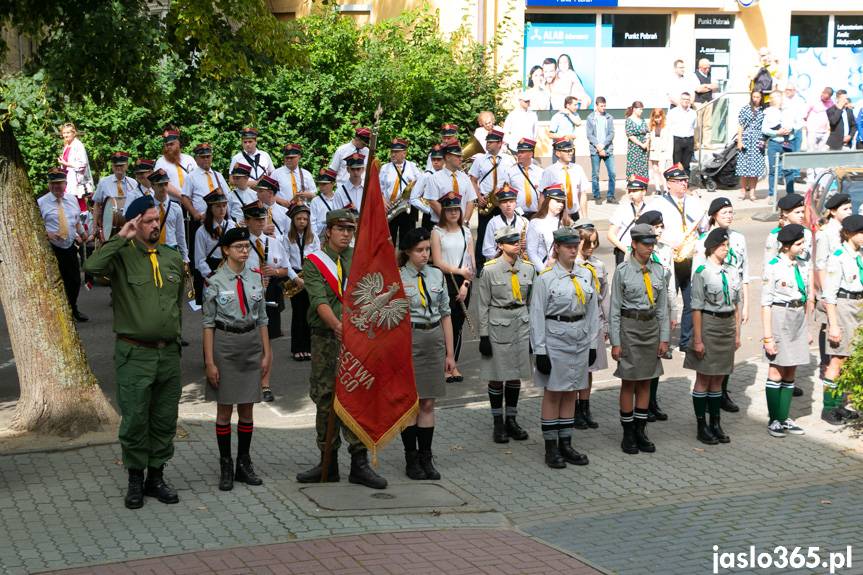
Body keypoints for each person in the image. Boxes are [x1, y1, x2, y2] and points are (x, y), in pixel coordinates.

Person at [82, 195, 184, 509]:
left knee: (164, 419)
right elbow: (91, 266)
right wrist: (120, 236)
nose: (156, 225)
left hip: (167, 354)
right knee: (136, 419)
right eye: (149, 220)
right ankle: (135, 480)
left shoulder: (171, 257)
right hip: (134, 354)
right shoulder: (122, 255)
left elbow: (177, 302)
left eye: (158, 220)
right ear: (135, 222)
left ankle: (156, 476)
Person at [296, 209, 388, 489]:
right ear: (328, 231)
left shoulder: (358, 258)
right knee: (325, 397)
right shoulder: (314, 262)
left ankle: (359, 462)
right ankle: (328, 460)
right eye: (341, 229)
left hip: (358, 339)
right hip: (326, 338)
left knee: (356, 394)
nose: (347, 234)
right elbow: (318, 300)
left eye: (350, 229)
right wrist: (337, 325)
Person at [203, 226, 269, 491]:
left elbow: (263, 318)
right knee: (224, 408)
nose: (244, 251)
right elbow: (208, 324)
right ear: (225, 250)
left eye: (246, 247)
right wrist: (209, 361)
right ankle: (226, 464)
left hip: (251, 342)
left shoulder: (255, 278)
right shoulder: (215, 281)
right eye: (239, 247)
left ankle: (244, 462)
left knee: (247, 406)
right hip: (226, 344)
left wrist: (267, 353)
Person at [531, 226, 597, 468]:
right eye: (568, 246)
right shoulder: (545, 278)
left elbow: (591, 310)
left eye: (575, 245)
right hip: (555, 340)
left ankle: (566, 443)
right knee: (553, 392)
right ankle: (551, 448)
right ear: (556, 248)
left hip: (579, 339)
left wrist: (591, 343)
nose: (572, 250)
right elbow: (537, 315)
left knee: (572, 390)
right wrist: (540, 351)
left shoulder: (586, 275)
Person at [398, 227, 455, 480]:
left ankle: (426, 457)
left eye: (428, 249)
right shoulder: (398, 278)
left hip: (433, 340)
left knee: (429, 401)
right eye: (419, 250)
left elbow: (445, 314)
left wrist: (450, 354)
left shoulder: (436, 275)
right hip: (409, 340)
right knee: (410, 404)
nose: (425, 254)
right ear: (408, 252)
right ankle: (411, 459)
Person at [609, 223, 669, 454]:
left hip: (651, 328)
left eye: (652, 243)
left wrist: (664, 338)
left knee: (646, 380)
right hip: (630, 328)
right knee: (629, 381)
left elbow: (664, 308)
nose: (650, 247)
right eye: (646, 243)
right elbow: (615, 309)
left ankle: (641, 430)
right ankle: (628, 433)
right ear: (634, 244)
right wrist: (616, 342)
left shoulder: (659, 270)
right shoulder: (623, 272)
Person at [478, 225, 535, 444]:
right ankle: (498, 422)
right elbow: (483, 305)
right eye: (510, 242)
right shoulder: (490, 270)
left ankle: (511, 418)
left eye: (517, 241)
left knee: (515, 374)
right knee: (497, 376)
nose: (516, 245)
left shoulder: (528, 269)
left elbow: (532, 303)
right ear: (500, 245)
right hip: (498, 324)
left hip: (520, 323)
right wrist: (484, 336)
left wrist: (533, 334)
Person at [684, 228, 741, 445]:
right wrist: (697, 340)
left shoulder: (732, 270)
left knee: (719, 377)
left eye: (727, 245)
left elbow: (737, 302)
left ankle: (716, 423)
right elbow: (696, 307)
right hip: (709, 324)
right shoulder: (702, 271)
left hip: (726, 326)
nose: (726, 249)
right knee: (704, 377)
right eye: (722, 246)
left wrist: (737, 333)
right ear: (712, 247)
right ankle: (702, 425)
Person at [693, 198, 749, 413]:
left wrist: (745, 305)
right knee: (707, 369)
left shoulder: (739, 239)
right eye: (724, 212)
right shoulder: (704, 241)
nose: (729, 216)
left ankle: (721, 395)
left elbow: (744, 273)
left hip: (731, 298)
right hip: (710, 307)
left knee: (726, 360)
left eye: (731, 212)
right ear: (714, 214)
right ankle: (706, 409)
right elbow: (697, 278)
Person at [647, 163, 706, 352]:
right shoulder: (658, 203)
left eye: (685, 180)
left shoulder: (694, 202)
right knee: (666, 301)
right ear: (669, 183)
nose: (684, 184)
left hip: (690, 258)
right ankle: (663, 341)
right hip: (669, 257)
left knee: (691, 301)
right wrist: (670, 242)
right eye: (679, 181)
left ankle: (686, 341)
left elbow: (704, 227)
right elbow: (650, 229)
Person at [761, 224, 810, 438]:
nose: (803, 247)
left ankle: (784, 417)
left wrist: (806, 328)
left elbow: (805, 295)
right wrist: (768, 337)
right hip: (781, 316)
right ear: (787, 245)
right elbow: (766, 303)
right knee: (777, 370)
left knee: (791, 370)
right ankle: (774, 420)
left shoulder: (800, 265)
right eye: (799, 244)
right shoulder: (773, 267)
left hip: (797, 316)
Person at [635, 210, 677, 422]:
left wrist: (673, 311)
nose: (660, 230)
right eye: (656, 226)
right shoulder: (635, 251)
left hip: (662, 308)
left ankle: (652, 401)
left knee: (656, 358)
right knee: (642, 360)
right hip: (644, 312)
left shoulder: (666, 250)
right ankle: (641, 403)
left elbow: (671, 284)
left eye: (661, 226)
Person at [820, 215, 863, 424]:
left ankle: (840, 405)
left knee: (850, 359)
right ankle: (828, 407)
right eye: (860, 232)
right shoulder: (838, 257)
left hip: (858, 307)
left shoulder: (860, 255)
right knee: (837, 359)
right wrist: (834, 325)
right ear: (848, 234)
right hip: (843, 308)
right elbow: (829, 296)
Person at [430, 193, 474, 383]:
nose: (454, 213)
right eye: (449, 210)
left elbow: (471, 263)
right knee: (443, 325)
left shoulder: (466, 231)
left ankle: (453, 364)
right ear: (443, 212)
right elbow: (438, 262)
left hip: (464, 282)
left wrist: (465, 284)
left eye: (456, 209)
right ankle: (443, 365)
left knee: (457, 324)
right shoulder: (436, 232)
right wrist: (459, 271)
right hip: (444, 280)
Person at [39, 167, 87, 322]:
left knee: (74, 281)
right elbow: (35, 228)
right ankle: (59, 315)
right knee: (55, 282)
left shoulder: (72, 199)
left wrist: (83, 234)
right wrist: (49, 234)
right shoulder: (41, 203)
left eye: (59, 183)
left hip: (69, 246)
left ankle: (72, 308)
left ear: (65, 183)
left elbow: (76, 221)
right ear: (49, 184)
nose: (56, 187)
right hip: (51, 248)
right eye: (53, 183)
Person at [815, 193, 853, 375]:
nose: (849, 211)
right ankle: (825, 363)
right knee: (828, 325)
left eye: (850, 208)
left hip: (845, 285)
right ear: (832, 211)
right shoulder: (826, 233)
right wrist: (824, 292)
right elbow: (821, 264)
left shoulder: (849, 230)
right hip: (829, 286)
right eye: (845, 209)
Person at [244, 203, 292, 344]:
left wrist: (275, 271)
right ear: (247, 221)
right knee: (250, 333)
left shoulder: (274, 243)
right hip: (248, 291)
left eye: (263, 219)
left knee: (270, 334)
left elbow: (286, 269)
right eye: (256, 219)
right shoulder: (241, 243)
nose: (261, 222)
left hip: (270, 290)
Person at [575, 224, 607, 430]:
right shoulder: (571, 265)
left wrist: (606, 326)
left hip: (594, 321)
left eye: (595, 242)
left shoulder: (599, 266)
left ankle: (585, 408)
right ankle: (574, 409)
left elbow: (604, 297)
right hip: (576, 321)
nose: (592, 246)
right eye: (588, 242)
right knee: (576, 367)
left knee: (590, 366)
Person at [470, 129, 514, 270]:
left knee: (504, 231)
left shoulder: (508, 160)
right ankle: (480, 264)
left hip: (502, 200)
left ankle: (503, 262)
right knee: (482, 233)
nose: (487, 144)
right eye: (487, 142)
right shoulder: (480, 159)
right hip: (486, 201)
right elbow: (473, 179)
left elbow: (512, 180)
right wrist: (478, 197)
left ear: (499, 143)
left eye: (490, 142)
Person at [284, 204, 318, 362]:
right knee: (298, 314)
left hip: (310, 276)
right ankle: (298, 348)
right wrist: (295, 278)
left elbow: (318, 256)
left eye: (305, 219)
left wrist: (312, 276)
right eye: (299, 218)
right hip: (295, 276)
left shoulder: (313, 236)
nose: (302, 221)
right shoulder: (287, 237)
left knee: (310, 313)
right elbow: (285, 261)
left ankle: (308, 347)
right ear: (293, 220)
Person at [193, 190, 236, 305]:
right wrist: (212, 277)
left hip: (231, 270)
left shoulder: (232, 227)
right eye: (217, 206)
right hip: (212, 271)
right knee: (212, 309)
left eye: (224, 205)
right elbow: (200, 260)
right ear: (210, 208)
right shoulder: (202, 231)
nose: (222, 209)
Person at [380, 138, 421, 248]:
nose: (393, 154)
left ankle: (404, 263)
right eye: (392, 151)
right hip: (390, 209)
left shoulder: (413, 167)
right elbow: (380, 189)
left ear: (404, 153)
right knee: (389, 241)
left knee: (408, 240)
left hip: (407, 209)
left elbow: (421, 185)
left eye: (396, 152)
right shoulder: (385, 168)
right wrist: (383, 201)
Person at [426, 140, 476, 225]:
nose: (461, 159)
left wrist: (465, 221)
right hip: (442, 225)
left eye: (461, 156)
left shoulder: (465, 177)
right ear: (448, 157)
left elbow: (470, 201)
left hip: (462, 225)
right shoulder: (434, 178)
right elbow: (433, 202)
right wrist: (449, 222)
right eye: (458, 156)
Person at [540, 138, 589, 219]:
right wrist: (541, 217)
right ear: (558, 153)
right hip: (558, 215)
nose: (570, 153)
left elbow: (583, 193)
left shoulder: (577, 169)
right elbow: (542, 196)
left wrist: (585, 217)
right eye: (566, 151)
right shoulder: (549, 171)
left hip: (574, 214)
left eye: (571, 150)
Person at [148, 169, 189, 266]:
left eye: (166, 184)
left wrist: (185, 258)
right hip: (153, 249)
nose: (163, 188)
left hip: (171, 249)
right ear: (153, 186)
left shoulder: (176, 208)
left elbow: (180, 235)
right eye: (160, 185)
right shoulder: (147, 207)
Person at [92, 151, 136, 241]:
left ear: (127, 165)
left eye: (121, 165)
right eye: (116, 166)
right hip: (109, 229)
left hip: (129, 227)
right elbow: (97, 204)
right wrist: (94, 226)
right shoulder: (104, 182)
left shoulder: (133, 183)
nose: (118, 168)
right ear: (112, 166)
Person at [526, 184, 572, 271]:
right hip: (545, 269)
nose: (561, 205)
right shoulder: (536, 222)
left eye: (562, 202)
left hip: (565, 269)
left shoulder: (566, 222)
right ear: (548, 200)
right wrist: (544, 272)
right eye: (557, 201)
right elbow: (531, 252)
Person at [763, 90, 797, 199]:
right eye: (775, 96)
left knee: (789, 169)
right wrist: (777, 132)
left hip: (788, 142)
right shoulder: (768, 112)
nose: (778, 98)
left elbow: (796, 123)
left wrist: (790, 129)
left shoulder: (789, 110)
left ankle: (791, 194)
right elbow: (764, 129)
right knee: (773, 170)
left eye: (779, 96)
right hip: (775, 143)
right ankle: (772, 194)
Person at [607, 176, 649, 265]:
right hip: (625, 251)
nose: (631, 194)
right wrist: (627, 250)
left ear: (644, 192)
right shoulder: (622, 209)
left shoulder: (649, 209)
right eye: (630, 191)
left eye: (635, 191)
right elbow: (611, 234)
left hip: (645, 252)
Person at [481, 185, 528, 260]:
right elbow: (487, 249)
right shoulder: (493, 222)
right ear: (499, 205)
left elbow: (533, 247)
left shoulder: (524, 221)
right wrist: (500, 257)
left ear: (516, 203)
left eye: (511, 201)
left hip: (521, 261)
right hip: (499, 262)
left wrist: (527, 244)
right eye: (504, 202)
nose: (508, 205)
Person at [736, 90, 766, 201]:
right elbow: (740, 125)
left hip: (758, 140)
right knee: (744, 169)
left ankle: (753, 192)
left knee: (755, 169)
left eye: (758, 97)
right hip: (747, 139)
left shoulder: (764, 110)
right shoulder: (745, 109)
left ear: (761, 98)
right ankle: (743, 191)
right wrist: (740, 140)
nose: (755, 99)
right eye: (754, 96)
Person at [585, 96, 616, 203]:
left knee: (612, 173)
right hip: (595, 150)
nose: (603, 108)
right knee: (595, 174)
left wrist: (603, 145)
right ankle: (597, 196)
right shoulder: (590, 118)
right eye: (601, 106)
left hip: (608, 149)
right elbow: (589, 135)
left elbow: (612, 133)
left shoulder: (609, 117)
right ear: (596, 106)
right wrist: (598, 146)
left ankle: (610, 196)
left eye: (605, 106)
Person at [505, 138, 543, 218]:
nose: (519, 154)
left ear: (531, 154)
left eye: (522, 152)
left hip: (536, 213)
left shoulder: (540, 172)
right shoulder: (510, 171)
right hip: (517, 214)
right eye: (518, 152)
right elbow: (506, 194)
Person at [154, 128, 196, 200]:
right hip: (173, 203)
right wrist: (183, 197)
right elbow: (163, 183)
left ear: (178, 143)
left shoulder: (189, 159)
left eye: (171, 144)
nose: (169, 147)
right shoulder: (161, 162)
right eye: (167, 145)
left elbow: (196, 179)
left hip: (192, 202)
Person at [57, 122, 92, 204]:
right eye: (64, 133)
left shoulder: (78, 145)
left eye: (68, 133)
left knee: (79, 205)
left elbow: (82, 164)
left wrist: (66, 164)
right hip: (67, 180)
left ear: (74, 133)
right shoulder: (67, 145)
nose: (65, 135)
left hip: (76, 182)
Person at [273, 143, 317, 209]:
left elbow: (314, 195)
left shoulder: (306, 174)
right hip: (282, 211)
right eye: (286, 158)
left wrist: (308, 195)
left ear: (299, 156)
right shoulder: (276, 174)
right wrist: (281, 201)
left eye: (292, 157)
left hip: (302, 212)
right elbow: (268, 194)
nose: (289, 160)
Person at [413, 144, 445, 230]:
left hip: (447, 215)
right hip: (430, 218)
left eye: (439, 159)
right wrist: (429, 211)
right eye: (433, 159)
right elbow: (413, 198)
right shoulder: (426, 176)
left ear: (444, 160)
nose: (435, 162)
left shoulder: (448, 175)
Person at [667, 93, 697, 175]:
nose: (686, 101)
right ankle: (677, 185)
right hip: (677, 140)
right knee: (677, 164)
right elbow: (668, 127)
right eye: (684, 99)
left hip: (689, 140)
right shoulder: (673, 112)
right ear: (680, 100)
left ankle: (685, 185)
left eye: (687, 99)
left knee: (687, 165)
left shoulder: (693, 113)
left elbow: (694, 127)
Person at [693, 58, 718, 147]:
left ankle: (707, 143)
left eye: (708, 68)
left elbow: (716, 86)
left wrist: (705, 86)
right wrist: (710, 87)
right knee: (698, 124)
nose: (707, 70)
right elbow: (698, 89)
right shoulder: (694, 75)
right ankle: (696, 144)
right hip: (698, 102)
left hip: (709, 101)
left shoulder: (710, 75)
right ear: (699, 67)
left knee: (708, 124)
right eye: (705, 68)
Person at [647, 109, 672, 194]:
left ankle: (665, 188)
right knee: (655, 170)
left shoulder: (666, 126)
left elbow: (669, 140)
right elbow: (648, 138)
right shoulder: (651, 126)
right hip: (653, 151)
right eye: (656, 117)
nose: (657, 119)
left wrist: (669, 153)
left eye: (659, 117)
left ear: (662, 116)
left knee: (662, 170)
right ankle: (657, 188)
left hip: (662, 151)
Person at [805, 87, 835, 155]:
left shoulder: (831, 103)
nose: (826, 98)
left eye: (828, 97)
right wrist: (806, 126)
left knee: (822, 153)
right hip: (813, 131)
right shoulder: (813, 100)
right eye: (825, 96)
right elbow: (805, 113)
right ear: (822, 93)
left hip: (825, 132)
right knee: (811, 152)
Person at [310, 168, 338, 238]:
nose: (321, 186)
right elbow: (312, 222)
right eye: (320, 184)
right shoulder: (315, 201)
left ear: (332, 183)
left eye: (324, 184)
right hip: (321, 237)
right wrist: (316, 237)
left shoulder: (338, 198)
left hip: (337, 234)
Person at [625, 101, 649, 181]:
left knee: (643, 167)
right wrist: (641, 144)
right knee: (633, 167)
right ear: (634, 109)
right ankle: (633, 187)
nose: (641, 111)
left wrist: (646, 143)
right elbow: (630, 135)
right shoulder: (629, 120)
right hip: (634, 148)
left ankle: (642, 186)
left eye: (642, 109)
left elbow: (648, 132)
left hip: (644, 149)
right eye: (640, 109)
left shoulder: (642, 120)